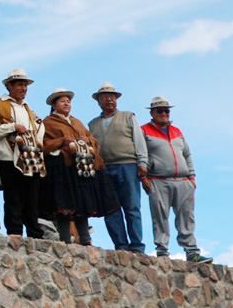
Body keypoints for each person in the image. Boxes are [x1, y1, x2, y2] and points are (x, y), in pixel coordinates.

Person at [39, 88, 119, 246]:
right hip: (61, 169)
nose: (66, 103)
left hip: (80, 168)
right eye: (62, 101)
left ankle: (85, 239)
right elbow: (43, 145)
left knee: (82, 204)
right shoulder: (48, 123)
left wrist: (86, 141)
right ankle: (65, 239)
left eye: (68, 101)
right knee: (62, 205)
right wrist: (63, 141)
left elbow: (93, 140)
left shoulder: (77, 122)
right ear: (54, 105)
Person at [142, 97, 211, 262]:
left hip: (183, 180)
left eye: (166, 110)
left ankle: (192, 252)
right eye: (160, 110)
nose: (164, 113)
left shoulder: (177, 131)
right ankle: (162, 252)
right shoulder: (143, 131)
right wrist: (144, 177)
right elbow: (141, 154)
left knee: (187, 217)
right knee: (160, 217)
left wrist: (192, 177)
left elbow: (187, 154)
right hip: (158, 180)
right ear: (152, 113)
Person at [0, 69, 48, 238]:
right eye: (20, 84)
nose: (23, 88)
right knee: (13, 198)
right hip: (8, 159)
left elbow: (40, 130)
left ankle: (34, 233)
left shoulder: (30, 111)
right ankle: (15, 233)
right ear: (9, 86)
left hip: (30, 159)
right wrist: (12, 127)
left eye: (25, 85)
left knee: (32, 199)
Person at [87, 82, 149, 253]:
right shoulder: (92, 124)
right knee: (111, 209)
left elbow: (139, 141)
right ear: (98, 101)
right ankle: (120, 246)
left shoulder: (129, 116)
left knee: (132, 207)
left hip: (127, 165)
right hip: (104, 169)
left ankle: (137, 246)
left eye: (112, 96)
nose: (109, 99)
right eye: (105, 97)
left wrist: (142, 163)